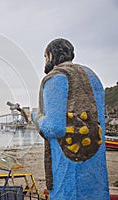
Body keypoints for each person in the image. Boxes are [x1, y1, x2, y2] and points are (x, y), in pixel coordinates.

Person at [35, 38, 109, 199]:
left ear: (50, 55)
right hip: (95, 167)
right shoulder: (94, 77)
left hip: (68, 163)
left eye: (45, 57)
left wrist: (37, 118)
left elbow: (55, 127)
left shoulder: (55, 78)